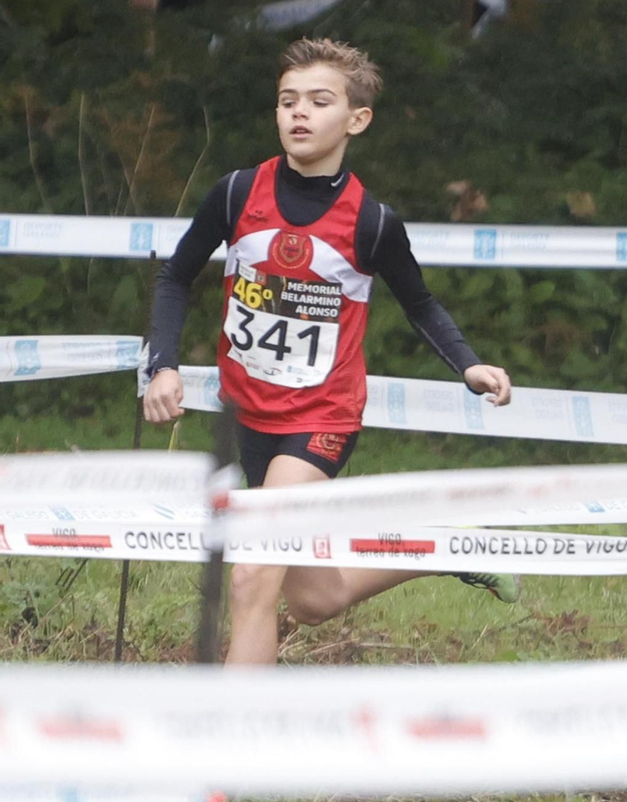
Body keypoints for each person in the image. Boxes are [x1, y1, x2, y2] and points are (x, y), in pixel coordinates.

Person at [143, 38, 518, 668]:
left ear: (356, 119)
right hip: (248, 420)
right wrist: (162, 365)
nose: (299, 113)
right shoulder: (236, 193)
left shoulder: (371, 222)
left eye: (319, 101)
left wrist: (468, 363)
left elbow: (420, 304)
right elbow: (174, 278)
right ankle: (442, 550)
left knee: (249, 581)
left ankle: (222, 755)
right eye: (288, 101)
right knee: (314, 599)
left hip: (319, 420)